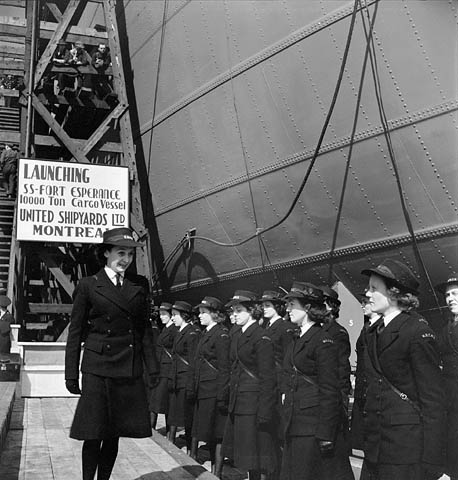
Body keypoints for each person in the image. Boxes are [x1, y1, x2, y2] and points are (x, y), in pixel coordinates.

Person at [64, 227, 158, 480]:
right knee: (94, 432)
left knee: (114, 432)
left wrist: (154, 368)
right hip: (97, 368)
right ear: (106, 253)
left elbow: (144, 330)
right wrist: (70, 374)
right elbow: (75, 333)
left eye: (129, 254)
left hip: (126, 368)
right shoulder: (88, 285)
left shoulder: (139, 285)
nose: (125, 259)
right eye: (120, 253)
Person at [360, 259, 445, 480]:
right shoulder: (372, 332)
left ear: (393, 293)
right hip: (376, 445)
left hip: (405, 448)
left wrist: (431, 459)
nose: (367, 294)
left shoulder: (416, 332)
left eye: (373, 288)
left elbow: (432, 401)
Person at [280, 282, 343, 480]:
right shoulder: (296, 338)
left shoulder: (322, 341)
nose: (288, 309)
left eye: (292, 304)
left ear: (307, 307)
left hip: (311, 427)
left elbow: (329, 390)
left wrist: (325, 434)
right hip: (294, 422)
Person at [222, 290, 278, 480]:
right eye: (233, 310)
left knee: (257, 454)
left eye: (239, 310)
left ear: (252, 311)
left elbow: (267, 378)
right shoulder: (239, 334)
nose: (234, 314)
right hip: (241, 401)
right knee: (248, 454)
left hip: (254, 404)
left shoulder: (260, 337)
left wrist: (265, 410)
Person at [188, 296, 230, 478]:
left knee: (217, 433)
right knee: (210, 432)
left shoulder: (221, 335)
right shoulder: (206, 333)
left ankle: (217, 472)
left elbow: (224, 368)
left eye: (204, 312)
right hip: (204, 390)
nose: (200, 315)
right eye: (199, 312)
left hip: (214, 391)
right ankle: (214, 470)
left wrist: (222, 396)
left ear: (215, 314)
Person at [318, 286, 355, 480]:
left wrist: (340, 404)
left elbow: (341, 372)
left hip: (333, 402)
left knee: (336, 458)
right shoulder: (318, 330)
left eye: (322, 303)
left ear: (331, 307)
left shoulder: (337, 333)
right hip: (321, 400)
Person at [167, 300, 200, 452]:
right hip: (178, 379)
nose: (172, 318)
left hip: (185, 380)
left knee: (189, 417)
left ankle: (192, 451)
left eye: (175, 315)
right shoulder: (181, 331)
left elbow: (193, 361)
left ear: (184, 316)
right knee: (179, 415)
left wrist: (191, 384)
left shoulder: (191, 333)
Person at [350, 293, 380, 452]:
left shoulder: (376, 328)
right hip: (363, 386)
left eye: (365, 302)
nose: (362, 305)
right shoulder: (366, 327)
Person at [436, 274, 458, 480]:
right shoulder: (446, 329)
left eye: (455, 293)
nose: (450, 298)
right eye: (447, 295)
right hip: (449, 397)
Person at [149, 301, 177, 431]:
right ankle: (154, 429)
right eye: (160, 314)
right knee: (158, 400)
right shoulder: (165, 329)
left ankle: (154, 429)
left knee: (160, 401)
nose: (161, 317)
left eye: (164, 314)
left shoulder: (174, 330)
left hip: (167, 369)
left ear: (171, 315)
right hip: (161, 368)